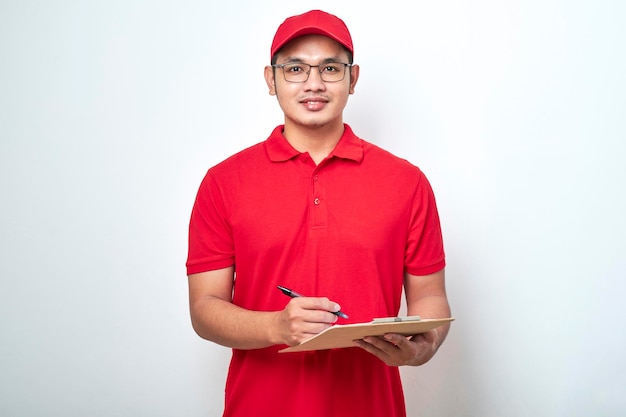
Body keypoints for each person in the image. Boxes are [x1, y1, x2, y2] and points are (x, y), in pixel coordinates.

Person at [186, 9, 451, 417]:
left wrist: (423, 346)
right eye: (295, 68)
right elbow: (205, 309)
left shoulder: (407, 182)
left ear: (353, 78)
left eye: (330, 68)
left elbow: (430, 295)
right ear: (271, 80)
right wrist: (275, 327)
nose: (314, 83)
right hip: (258, 407)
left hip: (371, 406)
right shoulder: (223, 182)